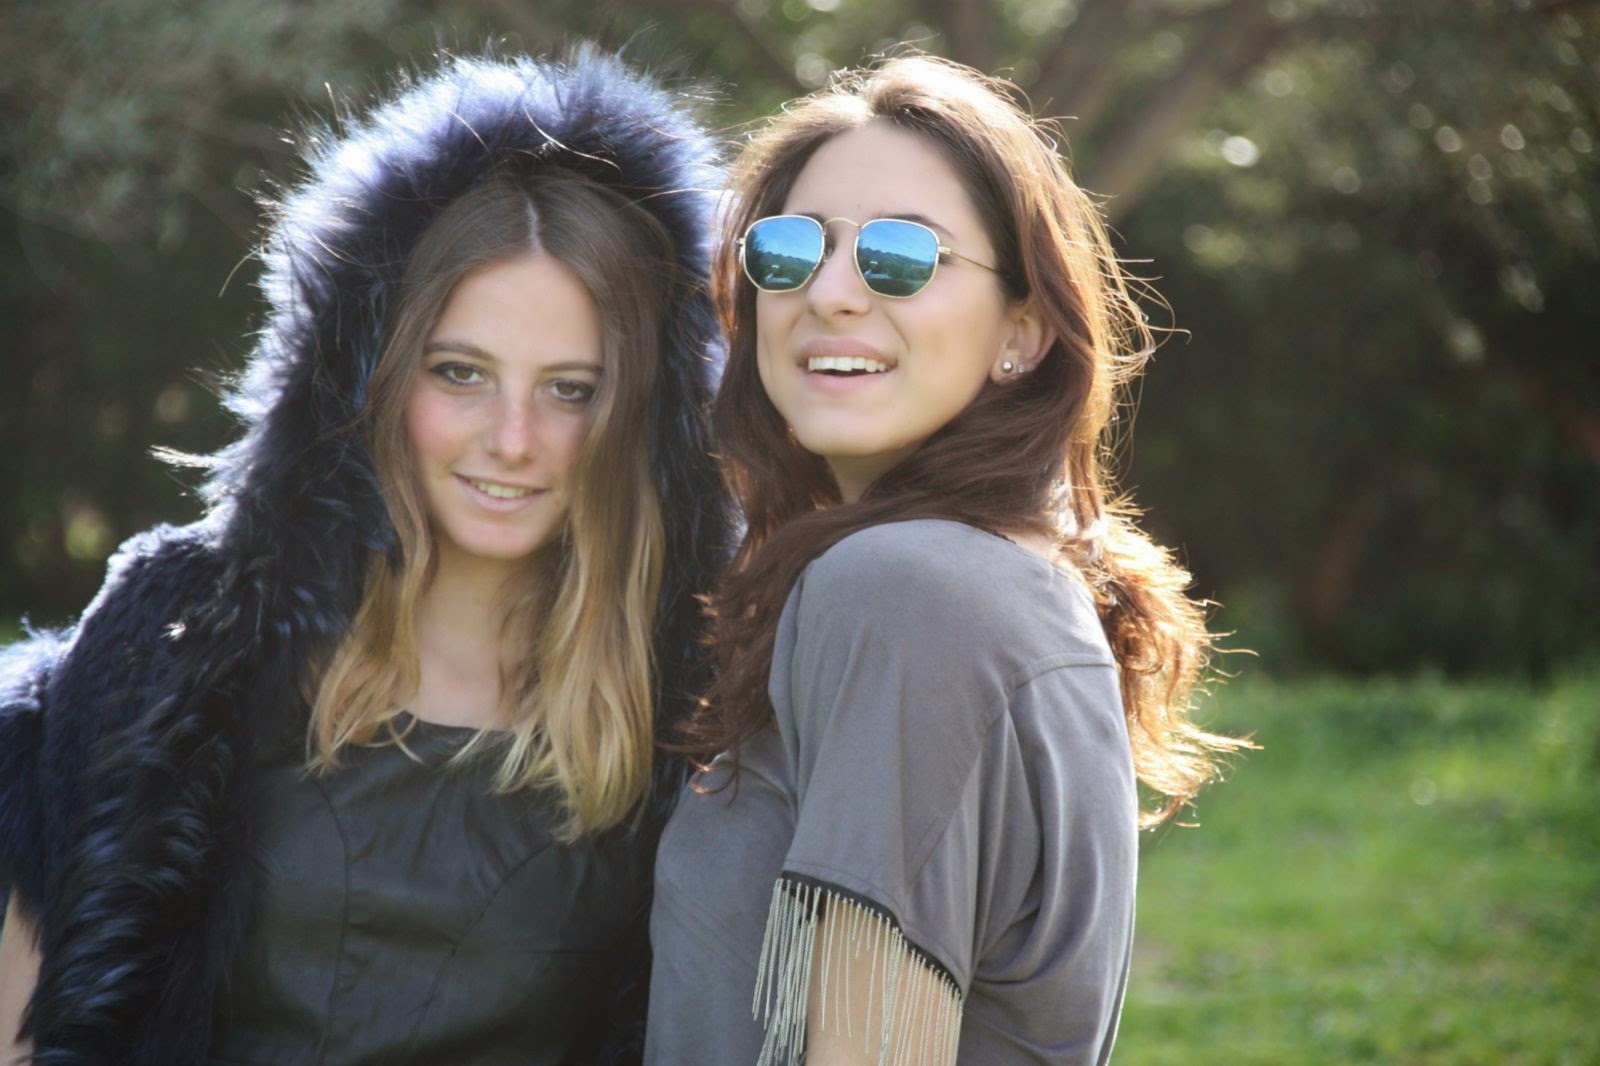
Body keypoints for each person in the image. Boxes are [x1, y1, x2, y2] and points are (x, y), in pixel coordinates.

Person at [0, 49, 730, 1064]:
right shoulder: (182, 636)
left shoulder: (687, 720)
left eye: (572, 389)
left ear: (642, 417)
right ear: (372, 377)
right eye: (461, 373)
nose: (512, 439)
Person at [645, 55, 1248, 1065]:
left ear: (1023, 330)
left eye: (900, 256)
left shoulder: (908, 591)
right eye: (789, 250)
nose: (831, 293)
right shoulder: (984, 579)